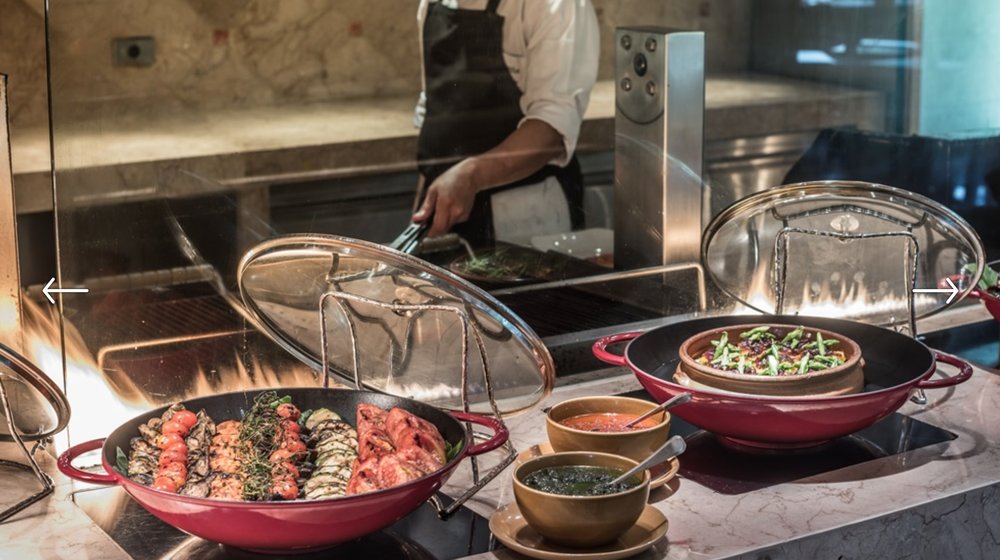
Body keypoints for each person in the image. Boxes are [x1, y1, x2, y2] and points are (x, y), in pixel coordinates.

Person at [411, 0, 600, 246]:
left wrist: (470, 176)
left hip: (527, 219)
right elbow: (434, 120)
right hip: (445, 216)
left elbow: (552, 127)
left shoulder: (556, 5)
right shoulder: (433, 4)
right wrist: (420, 211)